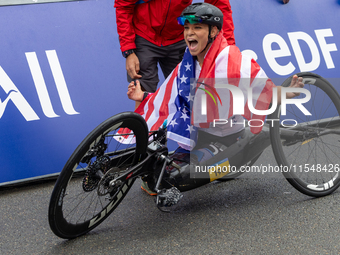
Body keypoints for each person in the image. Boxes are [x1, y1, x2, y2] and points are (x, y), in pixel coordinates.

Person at [127, 2, 304, 195]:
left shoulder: (232, 60)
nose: (189, 33)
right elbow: (168, 96)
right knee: (156, 172)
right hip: (196, 136)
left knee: (174, 179)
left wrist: (288, 93)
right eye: (186, 28)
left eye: (197, 28)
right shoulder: (188, 62)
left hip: (227, 138)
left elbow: (263, 90)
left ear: (213, 32)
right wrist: (144, 96)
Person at [114, 0, 235, 108]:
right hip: (144, 35)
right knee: (141, 92)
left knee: (188, 92)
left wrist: (227, 50)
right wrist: (129, 50)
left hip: (178, 37)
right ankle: (140, 132)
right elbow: (123, 5)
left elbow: (219, 5)